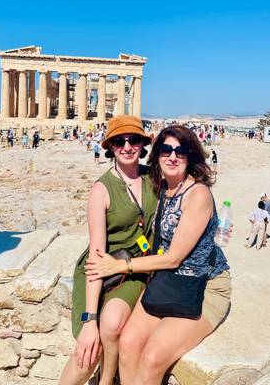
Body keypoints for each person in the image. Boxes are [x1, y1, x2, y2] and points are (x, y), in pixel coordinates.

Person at [85, 126, 231, 385]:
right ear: (157, 155)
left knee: (152, 358)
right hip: (168, 282)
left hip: (203, 287)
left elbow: (174, 257)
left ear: (191, 156)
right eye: (166, 150)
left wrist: (121, 265)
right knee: (128, 344)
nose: (172, 156)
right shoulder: (162, 186)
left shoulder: (197, 194)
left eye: (180, 151)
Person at [59, 115, 157, 385]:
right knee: (90, 347)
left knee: (112, 323)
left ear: (143, 144)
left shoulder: (153, 177)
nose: (127, 146)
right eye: (119, 141)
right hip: (99, 268)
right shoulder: (101, 189)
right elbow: (96, 255)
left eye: (134, 140)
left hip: (133, 268)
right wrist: (89, 319)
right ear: (110, 147)